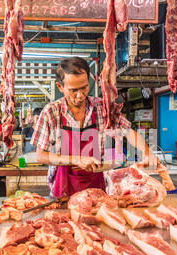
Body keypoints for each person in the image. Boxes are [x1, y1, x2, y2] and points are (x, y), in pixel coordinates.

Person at [30, 56, 160, 198]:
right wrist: (76, 159)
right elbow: (41, 156)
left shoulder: (102, 107)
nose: (80, 96)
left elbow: (128, 131)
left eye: (84, 87)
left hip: (97, 188)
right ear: (60, 87)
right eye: (73, 90)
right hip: (63, 190)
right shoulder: (51, 112)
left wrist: (147, 152)